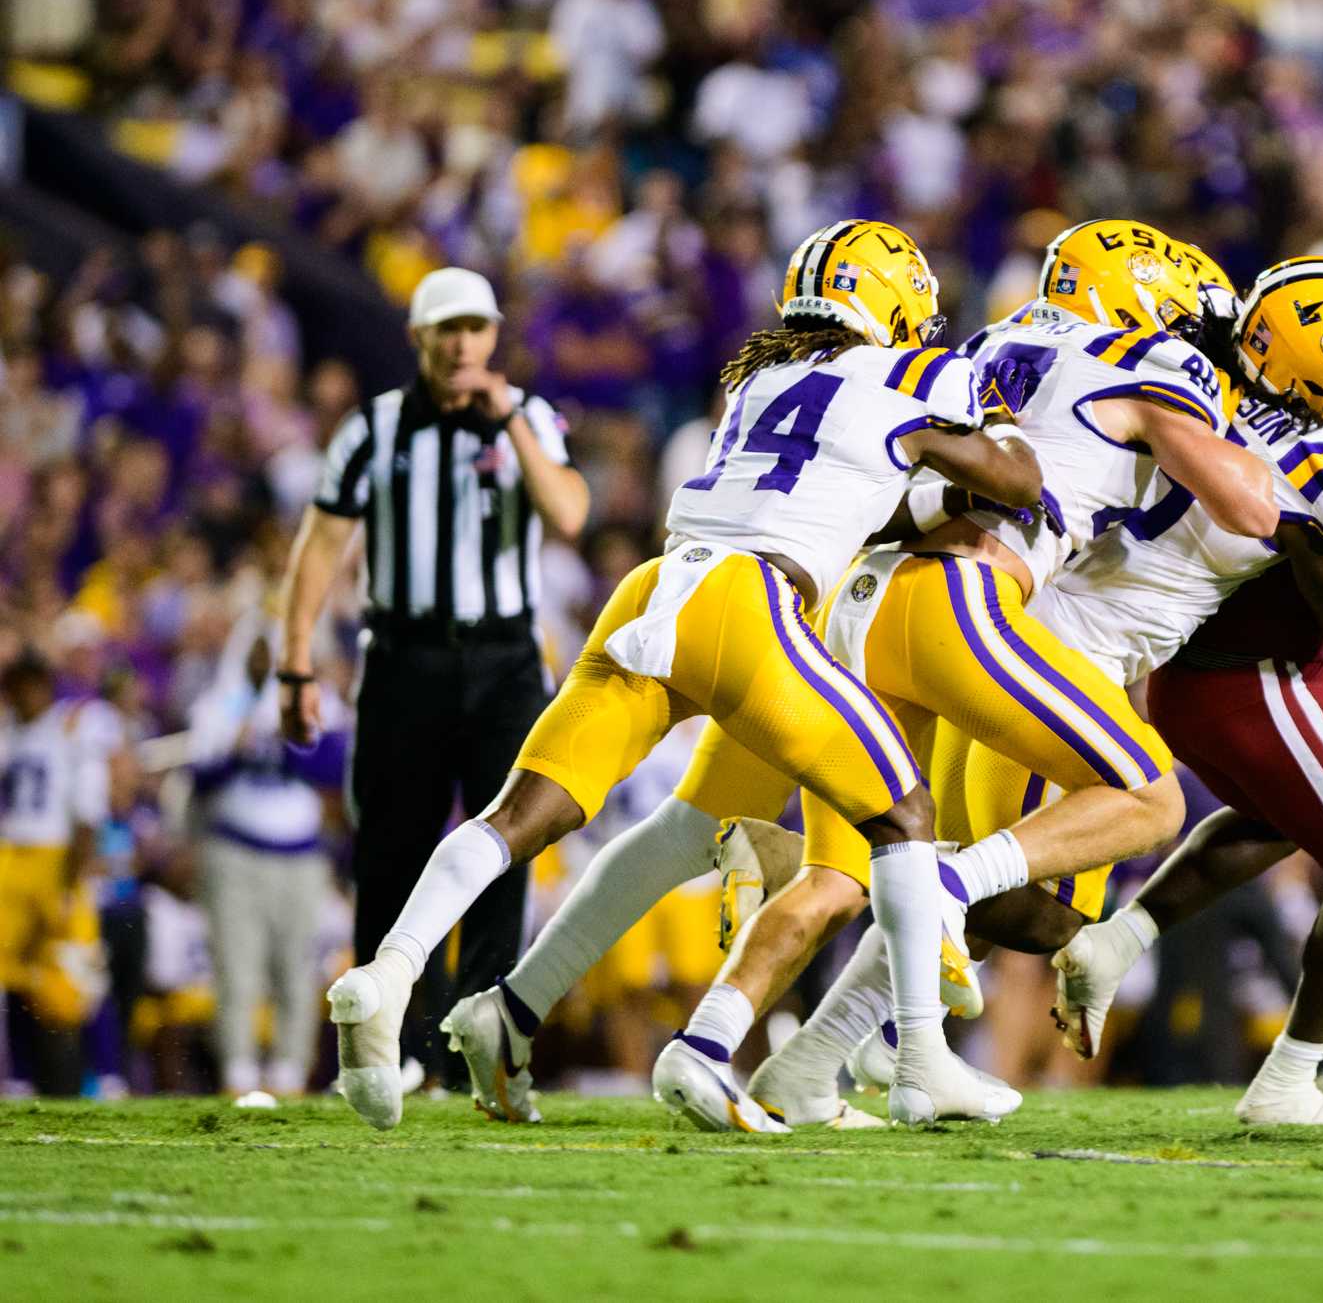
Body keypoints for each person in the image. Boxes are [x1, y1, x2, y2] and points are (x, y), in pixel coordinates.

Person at [321, 221, 1042, 1130]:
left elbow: (845, 486)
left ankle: (411, 977)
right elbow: (1016, 480)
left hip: (659, 584)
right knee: (900, 814)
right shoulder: (911, 376)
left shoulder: (759, 377)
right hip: (753, 609)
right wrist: (999, 419)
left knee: (542, 814)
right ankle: (922, 1057)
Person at [747, 250, 1323, 1126]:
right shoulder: (1318, 455)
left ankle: (817, 1053)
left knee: (991, 909)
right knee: (1016, 906)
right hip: (1053, 653)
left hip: (1016, 625)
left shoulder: (1193, 380)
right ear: (1314, 367)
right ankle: (844, 891)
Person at [646, 220, 1281, 1130]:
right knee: (1149, 800)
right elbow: (1250, 503)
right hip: (957, 599)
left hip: (861, 599)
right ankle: (939, 900)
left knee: (853, 871)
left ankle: (736, 1050)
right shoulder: (1148, 362)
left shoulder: (991, 340)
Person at [275, 266, 589, 1092]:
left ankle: (479, 1041)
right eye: (445, 328)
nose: (461, 344)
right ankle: (399, 1046)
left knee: (504, 846)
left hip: (504, 663)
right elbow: (320, 543)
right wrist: (295, 656)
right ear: (418, 337)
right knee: (390, 851)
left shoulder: (531, 419)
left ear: (493, 337)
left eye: (475, 327)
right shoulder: (374, 428)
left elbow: (569, 513)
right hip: (403, 659)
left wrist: (513, 423)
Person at [187, 620, 344, 1102]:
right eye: (256, 650)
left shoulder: (318, 701)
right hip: (233, 850)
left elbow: (334, 767)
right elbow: (201, 777)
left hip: (299, 854)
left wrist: (286, 739)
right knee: (237, 967)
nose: (263, 661)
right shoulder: (219, 704)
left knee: (296, 969)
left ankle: (289, 1073)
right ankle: (236, 1071)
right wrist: (237, 748)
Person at [0, 652, 110, 1095]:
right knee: (12, 974)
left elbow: (87, 810)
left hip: (56, 859)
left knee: (74, 980)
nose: (23, 696)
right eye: (15, 687)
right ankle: (20, 1079)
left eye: (31, 685)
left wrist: (73, 877)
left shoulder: (71, 729)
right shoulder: (7, 734)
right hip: (10, 859)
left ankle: (102, 1077)